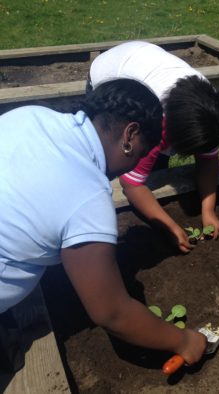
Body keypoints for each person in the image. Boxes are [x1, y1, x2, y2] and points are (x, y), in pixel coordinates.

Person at [0, 79, 206, 373]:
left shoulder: (31, 115)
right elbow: (112, 313)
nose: (133, 166)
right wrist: (183, 340)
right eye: (139, 154)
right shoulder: (88, 197)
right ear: (130, 134)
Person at [87, 41, 219, 253]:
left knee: (153, 163)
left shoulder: (207, 113)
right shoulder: (154, 120)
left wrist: (208, 210)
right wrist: (170, 228)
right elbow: (131, 183)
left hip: (146, 63)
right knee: (111, 155)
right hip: (109, 71)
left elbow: (209, 160)